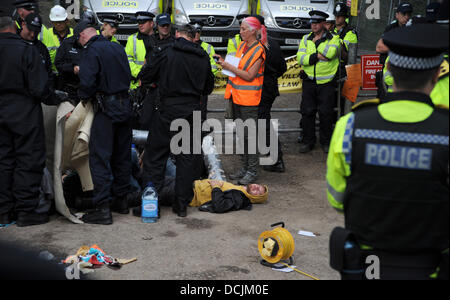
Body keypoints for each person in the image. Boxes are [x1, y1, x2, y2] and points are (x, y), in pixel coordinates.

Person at [327, 23, 449, 280]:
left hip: (368, 265)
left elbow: (337, 198)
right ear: (438, 73)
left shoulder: (351, 125)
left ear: (389, 69)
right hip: (430, 266)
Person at [139, 24, 214, 217]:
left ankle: (150, 205)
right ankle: (180, 206)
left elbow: (146, 76)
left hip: (167, 111)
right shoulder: (203, 56)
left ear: (178, 34)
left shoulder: (167, 51)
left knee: (155, 157)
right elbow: (208, 88)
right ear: (193, 36)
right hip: (191, 112)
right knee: (187, 160)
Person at [0, 14, 58, 227]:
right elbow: (39, 87)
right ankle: (26, 211)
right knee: (28, 160)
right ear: (15, 27)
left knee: (3, 161)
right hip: (24, 111)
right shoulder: (26, 50)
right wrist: (54, 98)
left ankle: (4, 211)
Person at [75, 21, 133, 225]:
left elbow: (87, 82)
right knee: (122, 155)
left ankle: (102, 209)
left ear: (83, 35)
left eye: (79, 39)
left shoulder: (91, 51)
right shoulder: (117, 47)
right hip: (125, 106)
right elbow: (128, 75)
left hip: (105, 109)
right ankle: (122, 201)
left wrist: (82, 97)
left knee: (100, 158)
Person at [216, 16, 266, 185]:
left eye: (244, 29)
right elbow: (239, 68)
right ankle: (246, 168)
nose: (241, 31)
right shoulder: (244, 46)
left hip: (249, 100)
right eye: (241, 28)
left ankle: (252, 171)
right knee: (243, 136)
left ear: (253, 31)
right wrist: (225, 64)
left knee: (249, 136)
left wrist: (228, 67)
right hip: (237, 97)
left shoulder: (259, 50)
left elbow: (249, 75)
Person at [297, 10, 341, 154]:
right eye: (312, 23)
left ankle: (326, 142)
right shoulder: (305, 39)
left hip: (326, 82)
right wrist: (316, 56)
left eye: (317, 23)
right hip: (309, 81)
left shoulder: (334, 38)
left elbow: (329, 54)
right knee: (307, 112)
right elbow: (300, 58)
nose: (314, 26)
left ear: (324, 24)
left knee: (326, 113)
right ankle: (308, 142)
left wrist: (310, 56)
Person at [251, 15, 287, 173]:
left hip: (261, 90)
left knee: (263, 124)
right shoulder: (272, 43)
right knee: (262, 123)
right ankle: (272, 156)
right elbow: (283, 67)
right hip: (269, 88)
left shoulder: (256, 44)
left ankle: (276, 159)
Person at [138, 13, 176, 131]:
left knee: (166, 123)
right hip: (151, 87)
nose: (165, 27)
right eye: (162, 25)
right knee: (145, 121)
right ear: (157, 26)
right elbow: (146, 61)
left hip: (168, 88)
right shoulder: (151, 41)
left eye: (167, 25)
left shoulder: (175, 43)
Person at [375, 2, 412, 98]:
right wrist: (402, 47)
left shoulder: (412, 28)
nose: (407, 17)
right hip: (389, 73)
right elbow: (379, 47)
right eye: (404, 14)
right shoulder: (391, 28)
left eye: (409, 14)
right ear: (397, 15)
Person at [190, 20, 220, 121]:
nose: (196, 34)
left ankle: (199, 135)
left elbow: (214, 68)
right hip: (188, 88)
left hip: (201, 88)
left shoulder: (208, 47)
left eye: (198, 31)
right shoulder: (184, 45)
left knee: (201, 117)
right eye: (194, 31)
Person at [125, 11, 154, 90]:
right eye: (139, 22)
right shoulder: (132, 39)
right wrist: (139, 74)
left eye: (143, 22)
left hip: (154, 84)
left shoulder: (158, 39)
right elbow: (127, 58)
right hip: (136, 85)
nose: (140, 25)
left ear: (151, 24)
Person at [41, 5, 74, 74]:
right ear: (51, 22)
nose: (58, 24)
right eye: (55, 22)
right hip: (53, 75)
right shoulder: (47, 33)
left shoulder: (74, 34)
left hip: (71, 74)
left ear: (66, 21)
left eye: (60, 21)